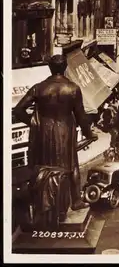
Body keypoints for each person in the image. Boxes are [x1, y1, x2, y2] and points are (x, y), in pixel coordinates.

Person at [13, 54, 98, 214]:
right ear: (65, 67)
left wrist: (33, 122)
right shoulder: (73, 88)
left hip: (43, 132)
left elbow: (18, 110)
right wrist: (89, 134)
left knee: (42, 167)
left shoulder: (39, 87)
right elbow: (81, 116)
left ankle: (38, 200)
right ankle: (76, 201)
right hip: (65, 132)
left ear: (50, 68)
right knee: (71, 164)